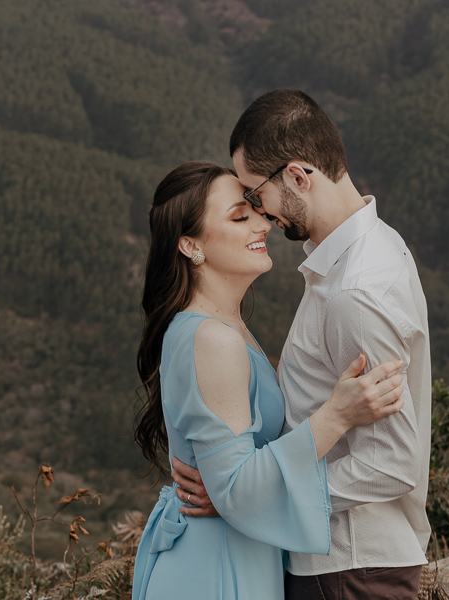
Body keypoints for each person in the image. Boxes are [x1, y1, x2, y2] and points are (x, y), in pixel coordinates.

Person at [172, 89, 432, 599]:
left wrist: (251, 499)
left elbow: (391, 463)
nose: (260, 213)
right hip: (342, 564)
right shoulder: (363, 253)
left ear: (296, 176)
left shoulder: (356, 291)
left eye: (255, 193)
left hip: (347, 566)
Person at [131, 160, 406, 600]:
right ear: (190, 246)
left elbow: (232, 486)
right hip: (216, 570)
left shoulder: (222, 327)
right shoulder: (213, 338)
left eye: (256, 210)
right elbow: (238, 488)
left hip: (230, 551)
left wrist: (229, 494)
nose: (262, 223)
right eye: (240, 217)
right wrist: (336, 416)